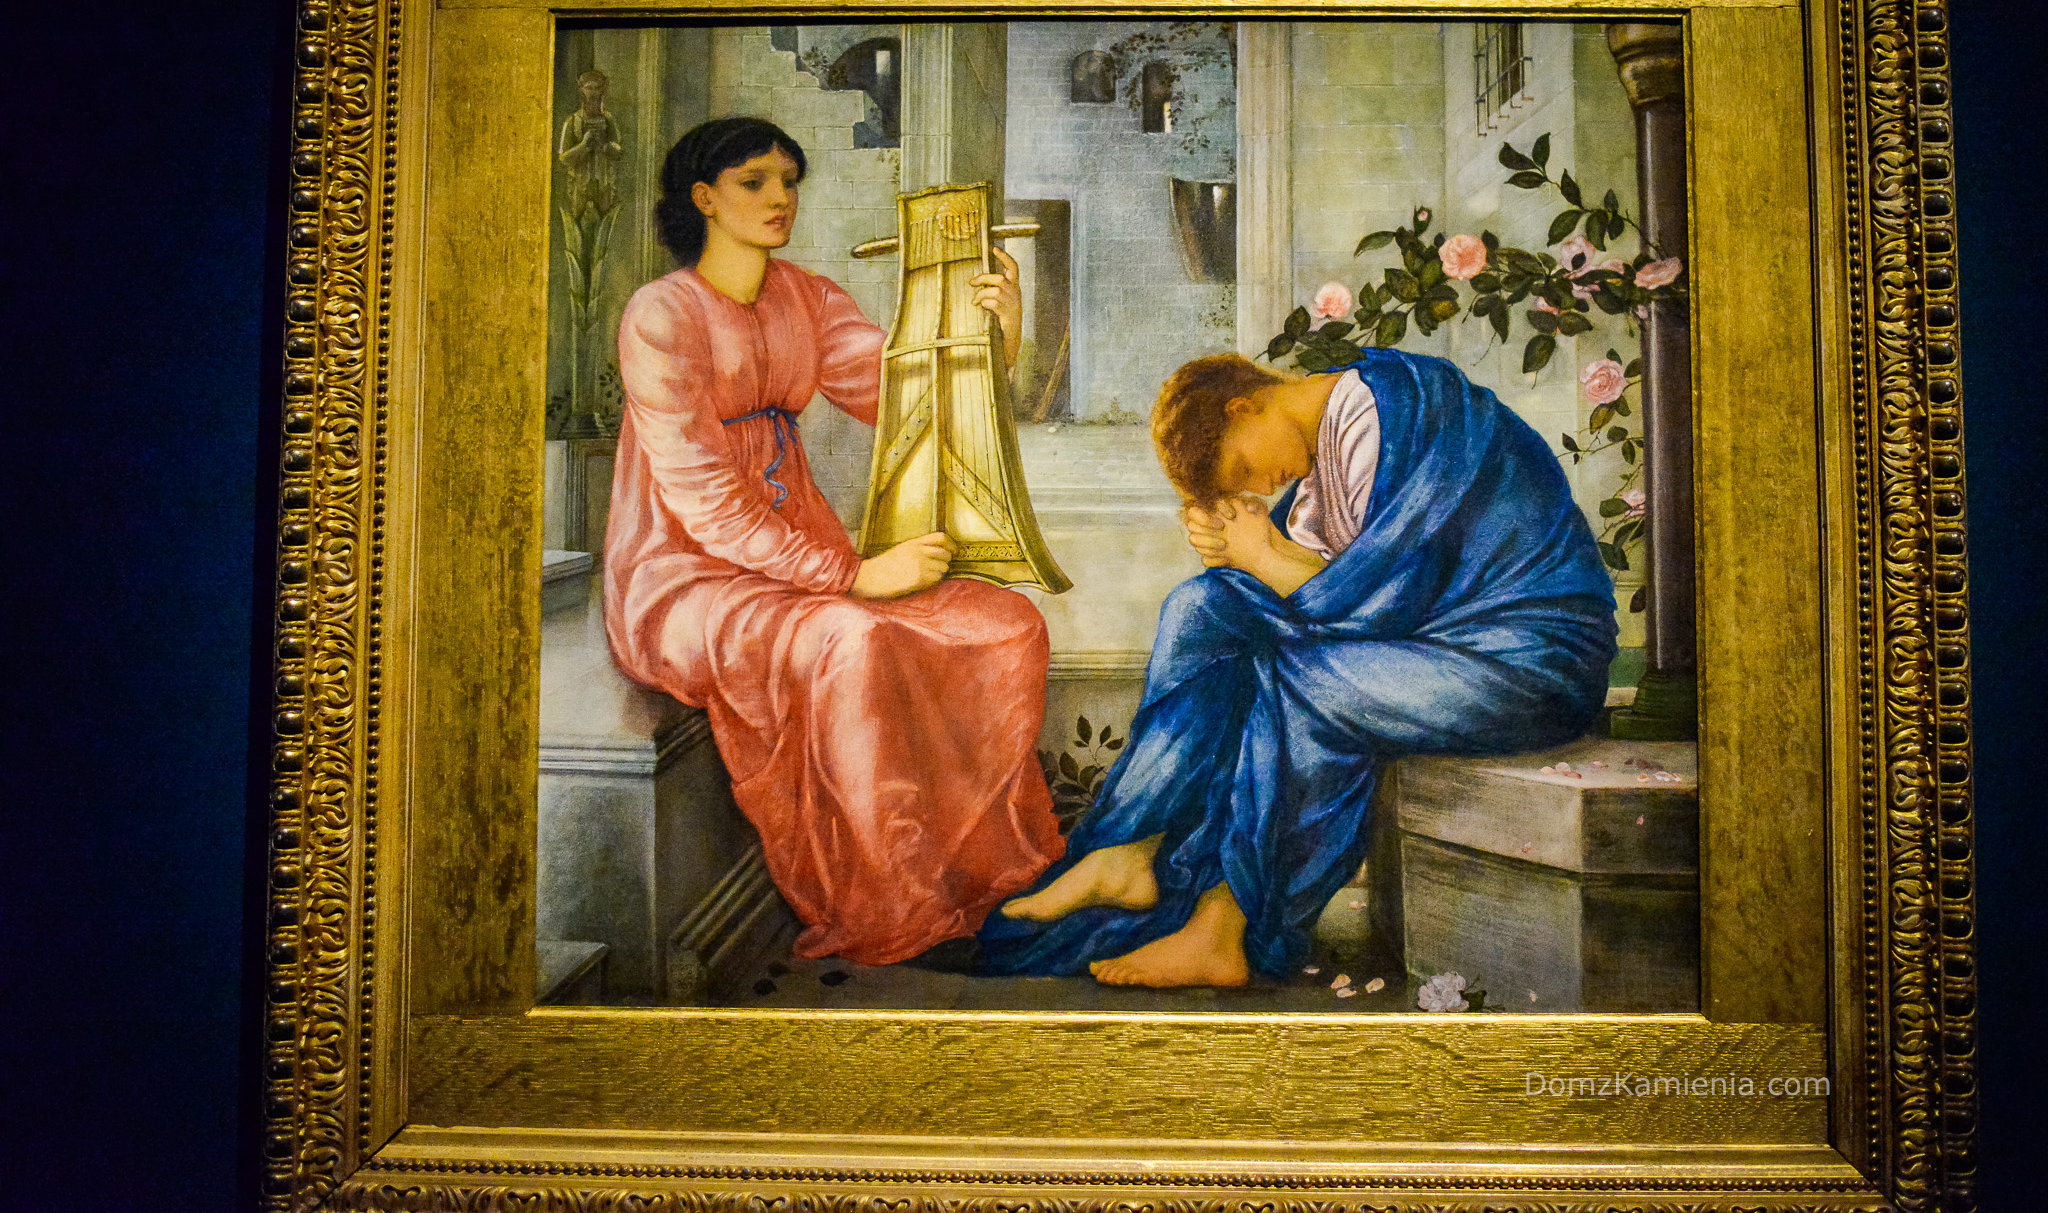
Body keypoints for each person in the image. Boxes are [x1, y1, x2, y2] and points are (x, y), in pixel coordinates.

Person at [979, 349, 1617, 987]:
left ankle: (1224, 927)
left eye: (1241, 468)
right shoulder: (1324, 459)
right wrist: (1243, 556)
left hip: (1528, 661)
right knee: (1205, 607)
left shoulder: (1391, 412)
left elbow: (1379, 608)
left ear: (1244, 406)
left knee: (1298, 679)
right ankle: (1129, 846)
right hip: (1438, 649)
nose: (1259, 488)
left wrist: (1260, 555)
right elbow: (1321, 592)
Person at [603, 116, 1062, 966]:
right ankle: (896, 908)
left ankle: (985, 873)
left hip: (803, 561)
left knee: (1003, 623)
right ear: (704, 198)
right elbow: (703, 499)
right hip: (685, 577)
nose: (780, 197)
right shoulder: (660, 314)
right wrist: (850, 575)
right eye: (754, 182)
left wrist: (997, 333)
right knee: (851, 640)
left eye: (789, 180)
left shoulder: (806, 299)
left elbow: (911, 392)